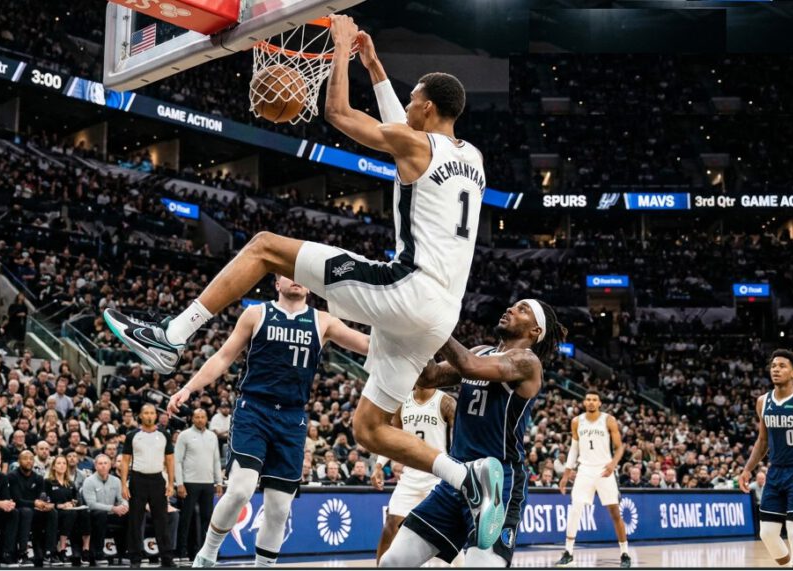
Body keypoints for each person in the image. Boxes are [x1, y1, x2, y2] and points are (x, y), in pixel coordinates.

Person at [103, 14, 499, 546]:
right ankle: (467, 477)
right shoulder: (470, 158)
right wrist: (375, 67)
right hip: (440, 314)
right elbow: (403, 137)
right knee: (369, 428)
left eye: (412, 101)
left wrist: (338, 49)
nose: (406, 107)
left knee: (266, 247)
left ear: (426, 107)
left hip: (410, 289)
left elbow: (337, 112)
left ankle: (172, 337)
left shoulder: (417, 146)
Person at [165, 275, 369, 567]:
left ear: (310, 286)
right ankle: (207, 555)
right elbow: (223, 357)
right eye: (289, 272)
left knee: (278, 508)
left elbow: (366, 344)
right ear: (276, 283)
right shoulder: (256, 313)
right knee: (240, 490)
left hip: (292, 418)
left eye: (303, 275)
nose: (297, 278)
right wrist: (188, 388)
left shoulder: (323, 321)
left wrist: (409, 338)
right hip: (254, 410)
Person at [380, 299, 566, 568]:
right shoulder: (482, 350)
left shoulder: (527, 362)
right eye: (512, 305)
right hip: (457, 477)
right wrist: (411, 335)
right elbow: (429, 377)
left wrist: (431, 319)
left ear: (535, 332)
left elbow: (469, 366)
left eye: (522, 309)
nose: (510, 308)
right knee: (393, 562)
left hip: (498, 481)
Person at [739, 350, 793, 568]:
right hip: (776, 470)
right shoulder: (763, 402)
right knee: (767, 533)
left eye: (782, 366)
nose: (776, 369)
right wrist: (747, 469)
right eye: (773, 366)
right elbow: (762, 441)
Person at [372, 386, 455, 563]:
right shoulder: (403, 403)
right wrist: (379, 464)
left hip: (437, 477)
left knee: (450, 536)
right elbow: (392, 437)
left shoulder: (446, 402)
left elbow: (459, 441)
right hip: (409, 477)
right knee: (391, 526)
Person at [555, 390, 631, 568]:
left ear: (599, 403)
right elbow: (574, 450)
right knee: (575, 509)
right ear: (584, 402)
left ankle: (625, 553)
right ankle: (568, 552)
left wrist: (613, 464)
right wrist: (566, 475)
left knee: (614, 512)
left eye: (594, 400)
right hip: (584, 470)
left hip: (604, 469)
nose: (590, 402)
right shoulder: (576, 421)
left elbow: (620, 447)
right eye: (588, 399)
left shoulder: (608, 420)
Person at [120, 404, 176, 567]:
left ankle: (166, 557)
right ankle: (135, 558)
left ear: (156, 416)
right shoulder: (132, 435)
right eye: (146, 413)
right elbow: (125, 460)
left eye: (152, 413)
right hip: (137, 480)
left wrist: (171, 483)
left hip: (158, 480)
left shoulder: (164, 434)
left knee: (162, 520)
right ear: (141, 416)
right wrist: (124, 484)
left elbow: (170, 460)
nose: (149, 416)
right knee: (135, 521)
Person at [174, 408, 224, 561]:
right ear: (192, 419)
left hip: (208, 483)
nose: (200, 419)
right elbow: (177, 461)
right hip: (189, 483)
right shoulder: (184, 435)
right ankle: (182, 552)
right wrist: (180, 483)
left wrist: (219, 482)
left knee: (207, 519)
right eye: (197, 417)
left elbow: (216, 460)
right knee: (186, 518)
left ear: (206, 418)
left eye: (203, 417)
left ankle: (206, 551)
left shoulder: (212, 436)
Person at [10, 449, 56, 566]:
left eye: (31, 459)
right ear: (19, 461)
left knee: (52, 512)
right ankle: (22, 554)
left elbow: (41, 497)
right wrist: (35, 503)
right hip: (20, 508)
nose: (29, 461)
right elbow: (17, 499)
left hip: (34, 509)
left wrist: (46, 505)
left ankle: (49, 553)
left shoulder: (38, 478)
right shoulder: (12, 476)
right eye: (25, 459)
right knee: (26, 512)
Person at [81, 454, 129, 566]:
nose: (103, 466)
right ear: (95, 466)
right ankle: (98, 552)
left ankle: (125, 552)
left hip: (112, 513)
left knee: (130, 515)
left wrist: (125, 506)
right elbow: (91, 504)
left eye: (105, 463)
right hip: (94, 515)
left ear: (110, 465)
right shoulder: (89, 481)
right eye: (100, 463)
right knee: (101, 514)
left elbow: (122, 499)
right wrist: (113, 508)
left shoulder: (116, 481)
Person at [45, 455, 90, 566]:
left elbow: (77, 499)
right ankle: (62, 548)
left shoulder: (70, 483)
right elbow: (44, 502)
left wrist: (73, 503)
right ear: (54, 467)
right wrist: (60, 506)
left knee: (85, 513)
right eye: (59, 463)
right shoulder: (48, 482)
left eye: (64, 463)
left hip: (70, 510)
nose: (62, 466)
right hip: (55, 511)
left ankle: (85, 549)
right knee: (71, 514)